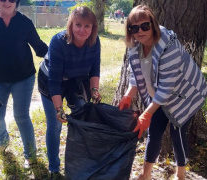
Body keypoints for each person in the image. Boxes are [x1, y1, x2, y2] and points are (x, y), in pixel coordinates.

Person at [118, 5, 207, 180]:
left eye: (145, 25)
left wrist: (146, 113)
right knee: (154, 133)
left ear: (153, 25)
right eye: (134, 28)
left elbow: (167, 88)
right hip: (158, 96)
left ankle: (180, 175)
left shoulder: (169, 46)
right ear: (130, 31)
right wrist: (129, 95)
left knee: (177, 135)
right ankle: (146, 174)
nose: (140, 31)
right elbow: (135, 75)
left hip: (184, 95)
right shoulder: (135, 47)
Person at [0, 0, 48, 168]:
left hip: (23, 77)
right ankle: (2, 139)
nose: (7, 2)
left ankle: (30, 155)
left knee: (21, 116)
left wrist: (59, 51)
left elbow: (39, 48)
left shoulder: (25, 22)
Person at [38, 6, 101, 179]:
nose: (82, 29)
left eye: (87, 26)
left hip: (75, 79)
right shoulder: (58, 41)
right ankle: (54, 168)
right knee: (55, 124)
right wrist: (59, 108)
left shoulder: (95, 42)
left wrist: (94, 90)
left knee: (82, 119)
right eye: (78, 24)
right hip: (50, 80)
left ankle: (81, 162)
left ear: (93, 28)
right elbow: (54, 79)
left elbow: (95, 69)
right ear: (71, 25)